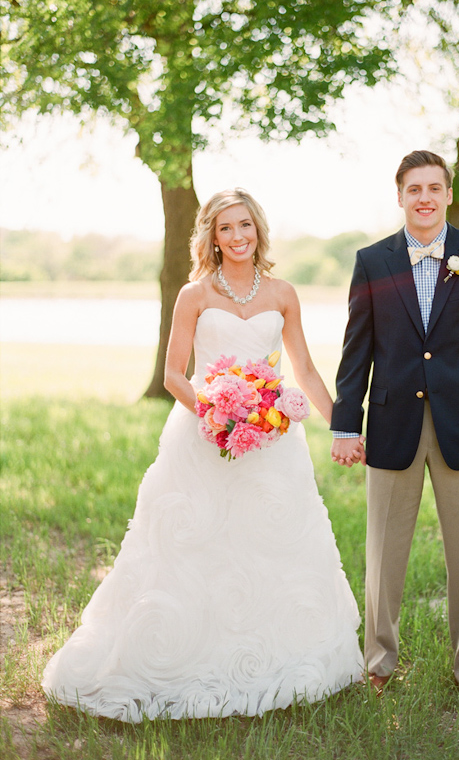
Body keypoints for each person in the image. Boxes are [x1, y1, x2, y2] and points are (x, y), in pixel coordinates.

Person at [43, 188, 363, 722]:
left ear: (258, 229)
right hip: (202, 435)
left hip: (271, 441)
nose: (237, 237)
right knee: (193, 544)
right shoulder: (194, 294)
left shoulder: (283, 293)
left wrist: (343, 427)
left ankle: (275, 660)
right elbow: (173, 374)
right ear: (211, 238)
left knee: (269, 544)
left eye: (245, 225)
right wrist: (215, 413)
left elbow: (303, 370)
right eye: (225, 228)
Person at [330, 150, 459, 700]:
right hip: (392, 422)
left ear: (448, 194)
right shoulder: (372, 260)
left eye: (435, 188)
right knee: (383, 556)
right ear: (400, 196)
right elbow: (355, 349)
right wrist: (346, 424)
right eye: (415, 189)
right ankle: (379, 665)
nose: (426, 198)